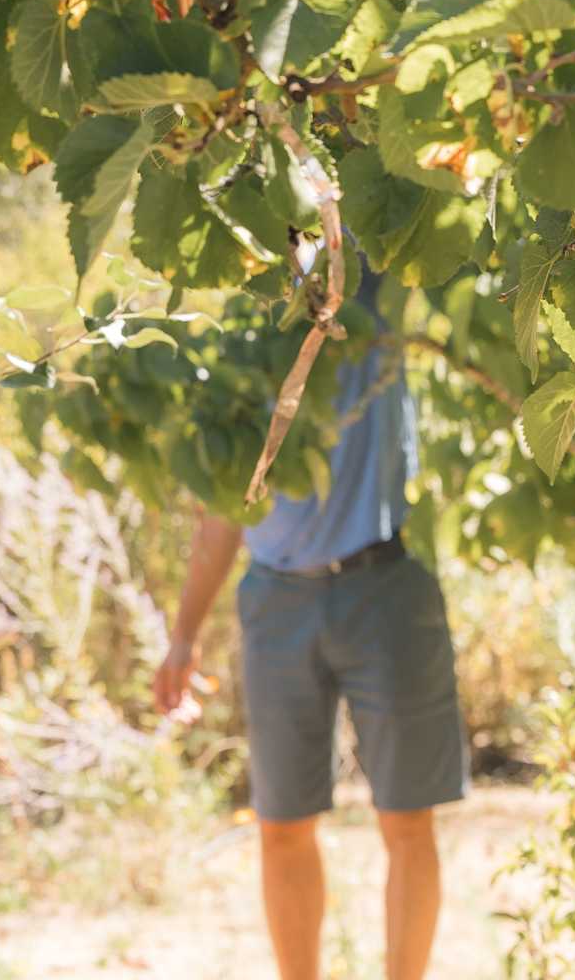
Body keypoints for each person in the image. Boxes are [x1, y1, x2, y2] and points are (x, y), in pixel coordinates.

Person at [153, 265, 468, 980]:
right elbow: (221, 515)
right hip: (276, 603)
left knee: (407, 816)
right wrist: (183, 635)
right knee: (282, 824)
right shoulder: (245, 341)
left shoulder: (373, 296)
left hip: (383, 585)